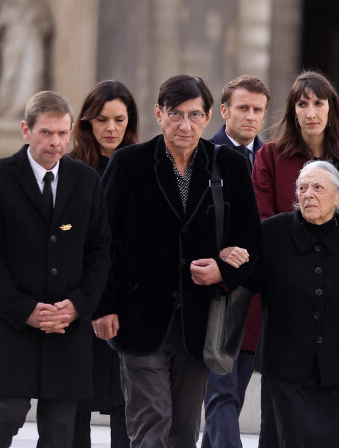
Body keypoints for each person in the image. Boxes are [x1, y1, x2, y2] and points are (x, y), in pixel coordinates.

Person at [92, 75, 261, 448]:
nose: (184, 124)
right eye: (175, 114)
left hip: (199, 322)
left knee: (184, 431)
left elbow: (251, 239)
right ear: (159, 114)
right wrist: (103, 306)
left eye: (194, 115)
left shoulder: (229, 166)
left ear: (207, 117)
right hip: (139, 318)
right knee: (151, 424)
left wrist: (225, 269)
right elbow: (101, 241)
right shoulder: (129, 163)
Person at [0, 91, 111, 447]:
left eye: (63, 133)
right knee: (9, 414)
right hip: (12, 325)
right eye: (47, 132)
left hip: (66, 328)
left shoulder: (87, 181)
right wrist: (25, 310)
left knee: (61, 430)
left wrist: (78, 305)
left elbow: (99, 251)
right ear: (25, 130)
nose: (56, 142)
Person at [252, 70, 339, 448]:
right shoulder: (270, 155)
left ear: (332, 109)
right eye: (303, 104)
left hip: (336, 304)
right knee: (283, 429)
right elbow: (263, 223)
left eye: (319, 103)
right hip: (286, 297)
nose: (311, 111)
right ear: (293, 110)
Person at [246, 161, 339, 448]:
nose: (308, 194)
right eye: (302, 188)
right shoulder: (271, 232)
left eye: (317, 187)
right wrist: (233, 259)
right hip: (286, 364)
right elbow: (250, 281)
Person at [69, 80, 140, 448]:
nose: (111, 128)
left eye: (119, 119)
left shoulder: (144, 167)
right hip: (80, 301)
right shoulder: (70, 171)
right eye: (101, 120)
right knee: (74, 408)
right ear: (87, 124)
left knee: (125, 408)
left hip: (126, 302)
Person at [203, 75, 270, 448]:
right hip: (217, 293)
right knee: (222, 391)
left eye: (258, 109)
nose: (250, 116)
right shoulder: (203, 154)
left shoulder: (270, 158)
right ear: (225, 111)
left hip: (257, 296)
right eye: (243, 108)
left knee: (232, 392)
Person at [0, 0, 54, 118]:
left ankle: (29, 111)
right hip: (13, 43)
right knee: (9, 75)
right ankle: (6, 109)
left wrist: (37, 24)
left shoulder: (37, 4)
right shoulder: (10, 4)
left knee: (32, 75)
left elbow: (47, 27)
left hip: (32, 43)